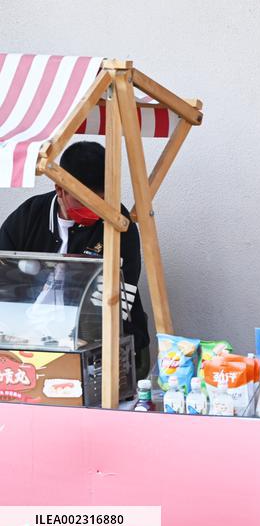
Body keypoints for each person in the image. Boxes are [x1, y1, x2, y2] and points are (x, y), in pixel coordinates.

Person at [0, 141, 151, 379]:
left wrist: (68, 347)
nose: (95, 210)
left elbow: (113, 306)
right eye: (84, 202)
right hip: (28, 343)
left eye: (100, 201)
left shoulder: (119, 225)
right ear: (60, 189)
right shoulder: (28, 217)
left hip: (103, 350)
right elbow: (4, 278)